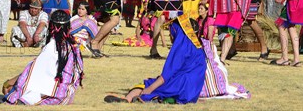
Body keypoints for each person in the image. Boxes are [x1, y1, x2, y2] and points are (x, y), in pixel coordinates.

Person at [104, 15, 249, 104]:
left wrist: (148, 89)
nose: (171, 35)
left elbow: (166, 75)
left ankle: (129, 98)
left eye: (172, 31)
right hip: (193, 90)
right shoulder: (197, 46)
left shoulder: (181, 47)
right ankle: (159, 98)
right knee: (158, 86)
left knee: (148, 84)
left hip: (182, 87)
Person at [1, 10, 84, 105]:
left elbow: (29, 73)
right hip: (67, 95)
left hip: (52, 96)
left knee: (15, 93)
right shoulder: (73, 45)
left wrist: (7, 83)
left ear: (51, 25)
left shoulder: (52, 46)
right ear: (68, 26)